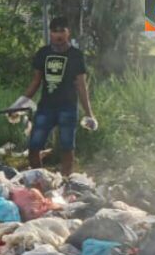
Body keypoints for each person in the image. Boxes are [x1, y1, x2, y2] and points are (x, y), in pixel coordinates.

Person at [8, 17, 96, 176]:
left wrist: (89, 114)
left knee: (67, 148)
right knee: (34, 147)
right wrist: (18, 105)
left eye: (62, 30)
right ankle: (39, 180)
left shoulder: (76, 55)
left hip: (68, 108)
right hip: (45, 108)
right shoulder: (43, 53)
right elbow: (35, 82)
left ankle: (66, 183)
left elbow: (81, 85)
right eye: (55, 31)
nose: (58, 35)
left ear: (68, 32)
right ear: (50, 33)